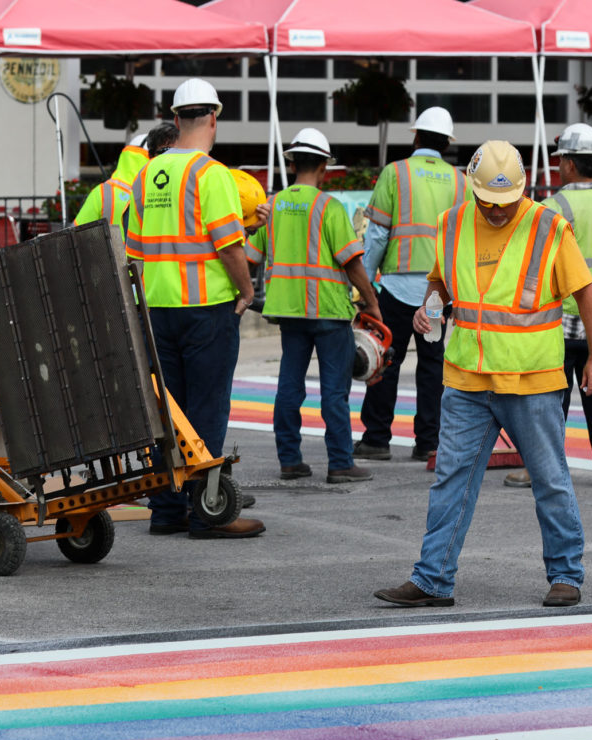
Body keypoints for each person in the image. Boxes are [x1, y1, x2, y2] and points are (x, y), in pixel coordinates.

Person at [374, 140, 592, 609]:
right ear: (472, 190)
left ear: (523, 189)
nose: (498, 212)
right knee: (450, 480)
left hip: (531, 380)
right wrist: (429, 308)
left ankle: (565, 574)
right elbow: (440, 282)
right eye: (488, 203)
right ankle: (432, 578)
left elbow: (587, 294)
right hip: (467, 377)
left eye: (506, 203)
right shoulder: (453, 224)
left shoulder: (549, 227)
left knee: (549, 479)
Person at [124, 78, 266, 540]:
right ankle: (208, 510)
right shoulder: (211, 174)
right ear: (213, 117)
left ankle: (166, 510)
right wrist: (246, 293)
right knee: (206, 410)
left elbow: (136, 251)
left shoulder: (146, 174)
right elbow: (230, 247)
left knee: (167, 410)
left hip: (157, 308)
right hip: (206, 308)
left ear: (175, 116)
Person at [245, 128, 381, 485]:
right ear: (323, 166)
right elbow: (352, 264)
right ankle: (340, 463)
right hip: (329, 312)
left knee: (289, 387)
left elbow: (249, 258)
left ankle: (290, 460)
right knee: (334, 391)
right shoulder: (329, 207)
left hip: (289, 312)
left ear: (292, 164)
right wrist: (372, 302)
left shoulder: (271, 207)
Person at [505, 123, 592, 490]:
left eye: (561, 161)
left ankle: (539, 468)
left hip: (557, 323)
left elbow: (536, 264)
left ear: (572, 164)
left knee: (547, 403)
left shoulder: (554, 207)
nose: (559, 167)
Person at [355, 106, 471, 463]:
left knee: (385, 359)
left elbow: (376, 237)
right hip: (436, 293)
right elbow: (463, 240)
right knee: (432, 366)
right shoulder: (460, 181)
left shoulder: (396, 173)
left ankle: (377, 438)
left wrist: (364, 286)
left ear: (417, 136)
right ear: (447, 143)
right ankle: (428, 442)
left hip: (394, 288)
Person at [72, 130, 151, 246]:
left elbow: (76, 235)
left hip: (107, 262)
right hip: (146, 261)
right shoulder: (156, 192)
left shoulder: (102, 192)